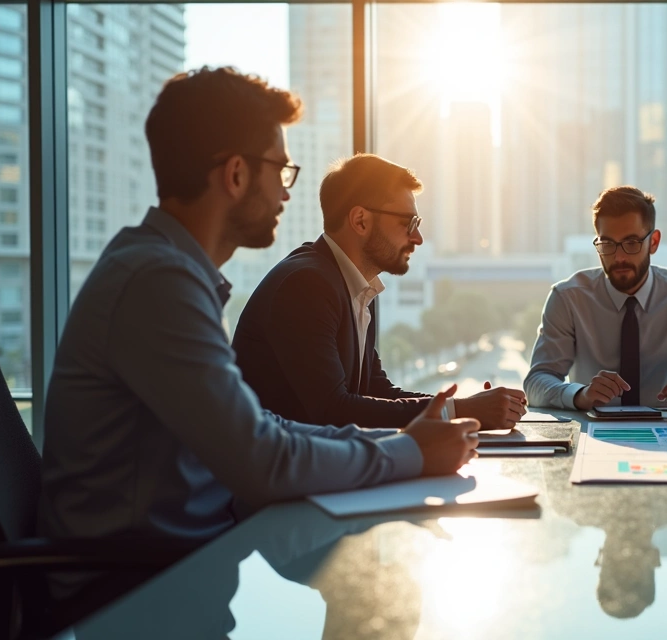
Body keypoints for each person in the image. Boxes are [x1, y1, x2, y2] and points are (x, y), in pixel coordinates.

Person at [38, 68, 478, 562]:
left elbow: (262, 426)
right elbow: (262, 458)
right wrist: (410, 452)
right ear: (236, 174)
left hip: (191, 560)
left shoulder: (168, 271)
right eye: (281, 171)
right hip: (137, 591)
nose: (287, 194)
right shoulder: (157, 282)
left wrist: (404, 440)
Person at [233, 153, 526, 431]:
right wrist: (461, 411)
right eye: (408, 223)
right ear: (360, 220)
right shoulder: (306, 285)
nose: (418, 238)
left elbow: (377, 391)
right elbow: (333, 410)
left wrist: (463, 408)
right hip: (281, 477)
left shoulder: (355, 285)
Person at [523, 186, 667, 410]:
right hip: (592, 433)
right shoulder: (568, 298)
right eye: (607, 244)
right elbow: (536, 382)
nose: (619, 257)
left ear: (653, 242)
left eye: (631, 243)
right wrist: (580, 395)